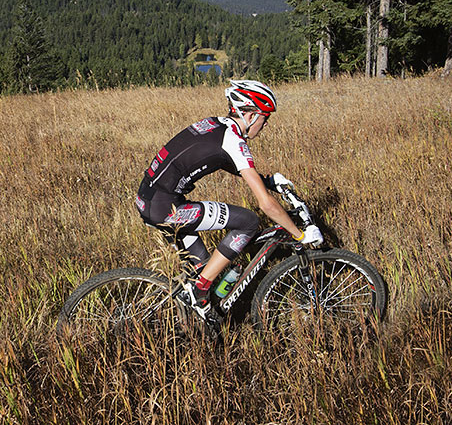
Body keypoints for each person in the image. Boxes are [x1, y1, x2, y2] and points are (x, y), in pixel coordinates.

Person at [134, 79, 323, 320]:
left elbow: (222, 160)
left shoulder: (214, 124)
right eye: (265, 118)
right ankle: (199, 289)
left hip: (150, 198)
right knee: (248, 221)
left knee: (205, 269)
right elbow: (266, 204)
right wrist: (299, 234)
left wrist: (269, 180)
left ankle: (196, 319)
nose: (265, 125)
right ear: (252, 115)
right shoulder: (233, 140)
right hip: (165, 207)